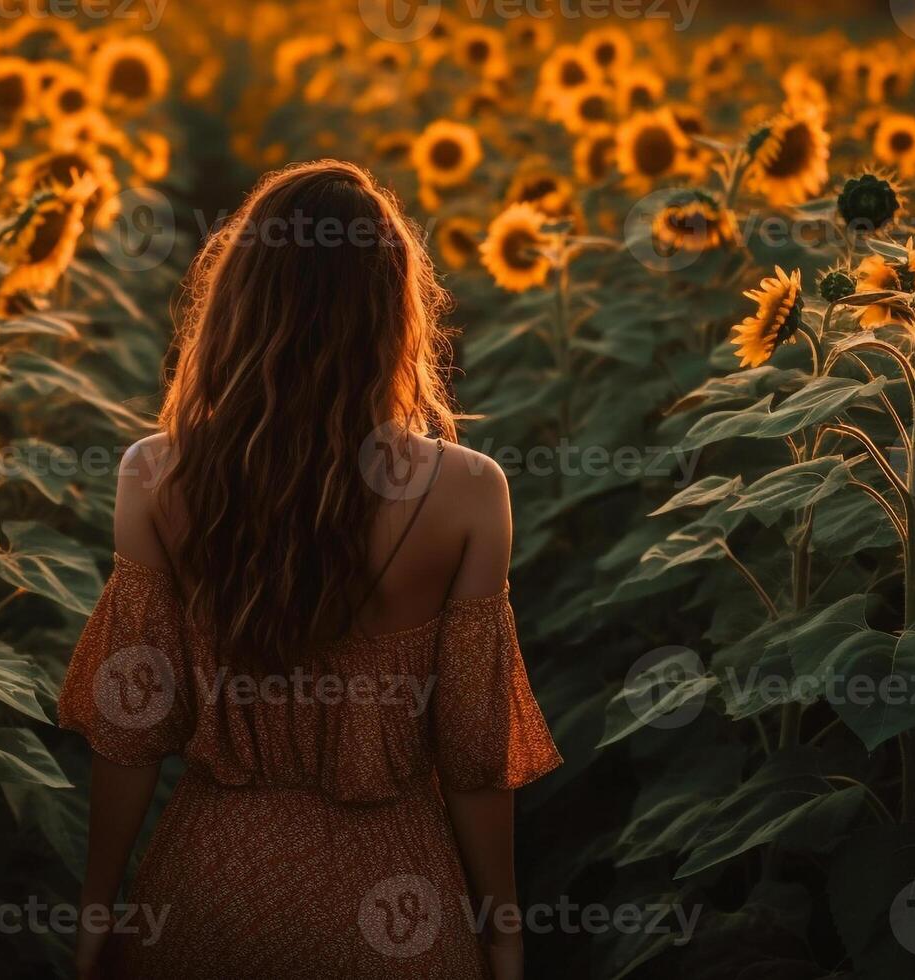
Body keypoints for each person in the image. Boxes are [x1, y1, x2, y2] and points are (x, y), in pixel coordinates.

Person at [59, 160, 561, 980]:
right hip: (397, 907)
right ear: (393, 311)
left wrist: (96, 914)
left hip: (207, 902)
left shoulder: (156, 475)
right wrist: (502, 933)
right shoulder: (468, 492)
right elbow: (474, 754)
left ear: (240, 301)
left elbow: (131, 728)